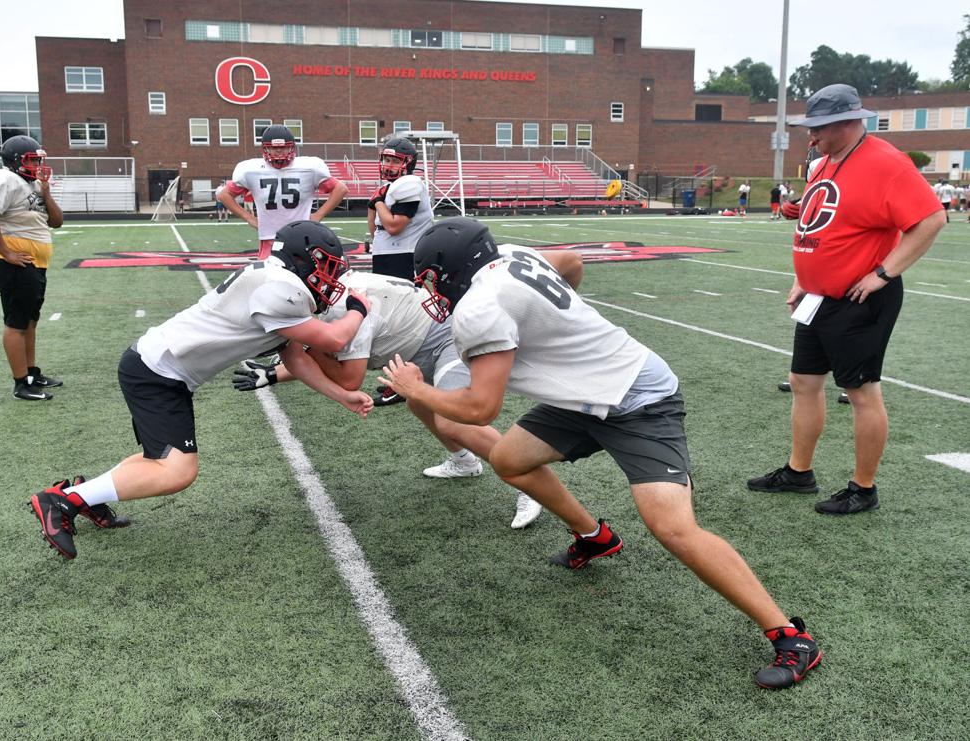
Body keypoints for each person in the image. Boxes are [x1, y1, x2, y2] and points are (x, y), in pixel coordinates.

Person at [379, 217, 821, 689]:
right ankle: (594, 536)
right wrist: (565, 325)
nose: (428, 288)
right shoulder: (509, 254)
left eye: (430, 277)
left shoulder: (479, 308)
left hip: (638, 398)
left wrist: (415, 390)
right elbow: (570, 262)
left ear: (453, 270)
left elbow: (480, 407)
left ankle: (790, 635)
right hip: (582, 397)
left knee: (673, 528)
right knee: (509, 459)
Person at [27, 221, 374, 560]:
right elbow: (336, 338)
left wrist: (341, 396)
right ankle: (62, 502)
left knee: (161, 458)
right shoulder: (281, 286)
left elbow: (296, 360)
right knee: (178, 470)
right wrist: (360, 309)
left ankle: (77, 495)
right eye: (326, 267)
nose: (330, 278)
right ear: (304, 258)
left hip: (160, 368)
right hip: (157, 371)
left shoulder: (275, 280)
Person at [234, 265, 606, 530]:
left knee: (452, 420)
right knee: (418, 402)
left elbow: (348, 378)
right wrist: (278, 369)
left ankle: (529, 484)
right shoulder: (338, 295)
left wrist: (295, 351)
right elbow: (326, 355)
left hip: (444, 338)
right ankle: (464, 463)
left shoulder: (347, 307)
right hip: (416, 343)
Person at [750, 84, 945, 515]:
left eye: (817, 127)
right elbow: (823, 225)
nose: (810, 135)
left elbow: (932, 218)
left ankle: (864, 488)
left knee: (860, 392)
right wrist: (805, 277)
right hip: (818, 296)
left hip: (859, 299)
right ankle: (799, 472)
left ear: (847, 122)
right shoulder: (824, 164)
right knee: (803, 382)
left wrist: (883, 273)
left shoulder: (887, 162)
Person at [0, 135, 64, 401]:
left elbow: (57, 221)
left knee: (30, 321)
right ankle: (20, 384)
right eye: (32, 160)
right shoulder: (5, 180)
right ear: (16, 161)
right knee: (16, 324)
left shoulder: (33, 184)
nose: (38, 164)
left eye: (39, 160)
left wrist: (46, 195)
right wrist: (6, 252)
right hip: (15, 263)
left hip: (35, 263)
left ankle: (31, 373)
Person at [368, 136, 435, 406]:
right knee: (390, 318)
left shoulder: (410, 183)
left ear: (408, 163)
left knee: (405, 321)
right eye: (385, 158)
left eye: (394, 160)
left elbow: (395, 225)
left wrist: (379, 202)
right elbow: (375, 230)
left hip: (405, 256)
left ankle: (410, 380)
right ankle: (400, 379)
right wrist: (377, 203)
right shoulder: (390, 187)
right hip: (387, 256)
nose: (388, 164)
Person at [218, 124, 348, 260]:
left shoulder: (309, 168)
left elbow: (341, 189)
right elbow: (224, 195)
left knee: (302, 276)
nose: (279, 151)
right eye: (274, 147)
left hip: (302, 236)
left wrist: (318, 215)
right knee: (270, 278)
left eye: (284, 147)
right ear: (266, 148)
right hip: (269, 237)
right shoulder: (251, 170)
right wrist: (249, 218)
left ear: (292, 147)